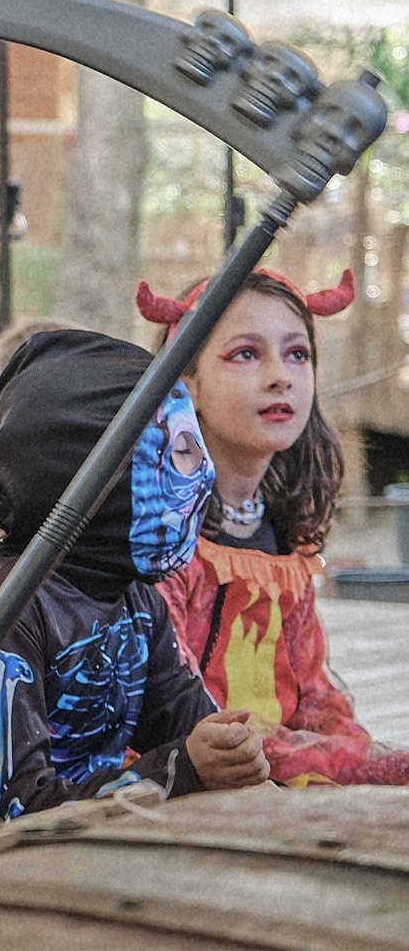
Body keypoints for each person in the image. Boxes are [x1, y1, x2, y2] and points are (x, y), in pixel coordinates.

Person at [0, 328, 271, 824]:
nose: (204, 475)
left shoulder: (137, 603)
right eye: (182, 450)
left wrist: (232, 753)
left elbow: (191, 725)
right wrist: (181, 769)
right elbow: (14, 815)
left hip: (85, 851)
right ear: (96, 476)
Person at [140, 269, 409, 785]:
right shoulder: (161, 538)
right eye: (246, 353)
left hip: (285, 769)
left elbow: (312, 690)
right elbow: (178, 715)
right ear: (185, 382)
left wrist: (350, 748)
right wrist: (347, 763)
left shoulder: (288, 538)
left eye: (297, 354)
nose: (280, 376)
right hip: (185, 775)